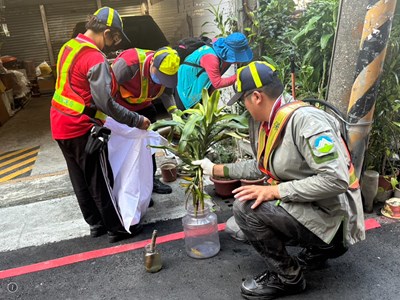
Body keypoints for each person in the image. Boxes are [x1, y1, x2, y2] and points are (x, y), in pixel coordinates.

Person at [193, 61, 365, 299]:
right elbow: (262, 166)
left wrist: (274, 192)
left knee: (245, 210)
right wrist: (216, 169)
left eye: (243, 100)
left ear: (256, 97)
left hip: (336, 222)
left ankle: (289, 277)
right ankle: (317, 251)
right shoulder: (275, 120)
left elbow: (336, 180)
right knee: (239, 222)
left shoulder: (305, 121)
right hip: (320, 210)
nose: (244, 107)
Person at [50, 7, 151, 243]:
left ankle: (96, 224)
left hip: (59, 124)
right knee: (100, 179)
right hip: (81, 127)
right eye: (114, 38)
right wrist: (137, 120)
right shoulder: (94, 58)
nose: (114, 44)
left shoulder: (69, 46)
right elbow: (105, 103)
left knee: (79, 178)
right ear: (106, 32)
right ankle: (117, 228)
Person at [111, 46, 180, 195]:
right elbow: (106, 94)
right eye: (160, 76)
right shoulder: (128, 65)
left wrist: (175, 114)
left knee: (149, 147)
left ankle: (149, 181)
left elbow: (167, 93)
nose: (162, 81)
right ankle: (130, 188)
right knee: (127, 150)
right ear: (153, 63)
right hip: (121, 112)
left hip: (145, 109)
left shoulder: (169, 70)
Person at [176, 32, 253, 110]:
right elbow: (217, 83)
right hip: (187, 90)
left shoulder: (224, 56)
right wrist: (240, 75)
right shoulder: (211, 58)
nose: (239, 61)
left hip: (201, 86)